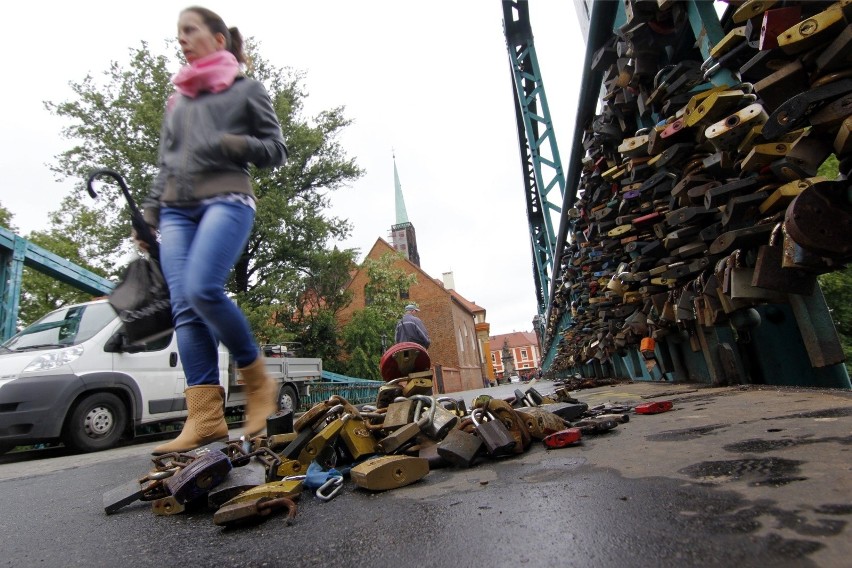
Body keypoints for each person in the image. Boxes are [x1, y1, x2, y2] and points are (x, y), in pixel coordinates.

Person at [140, 6, 288, 455]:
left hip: (227, 197)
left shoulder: (246, 90)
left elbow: (275, 148)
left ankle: (257, 379)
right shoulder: (179, 101)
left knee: (204, 289)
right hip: (176, 211)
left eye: (190, 30)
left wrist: (232, 143)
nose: (181, 39)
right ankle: (205, 418)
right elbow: (165, 163)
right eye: (177, 33)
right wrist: (148, 213)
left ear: (218, 40)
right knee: (184, 307)